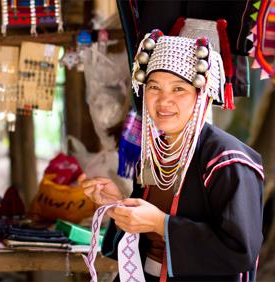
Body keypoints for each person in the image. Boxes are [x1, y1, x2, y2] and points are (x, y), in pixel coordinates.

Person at [80, 30, 264, 282]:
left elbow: (240, 250)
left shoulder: (227, 160)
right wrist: (118, 205)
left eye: (179, 89)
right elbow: (145, 229)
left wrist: (160, 224)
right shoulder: (156, 151)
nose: (164, 100)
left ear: (202, 97)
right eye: (154, 87)